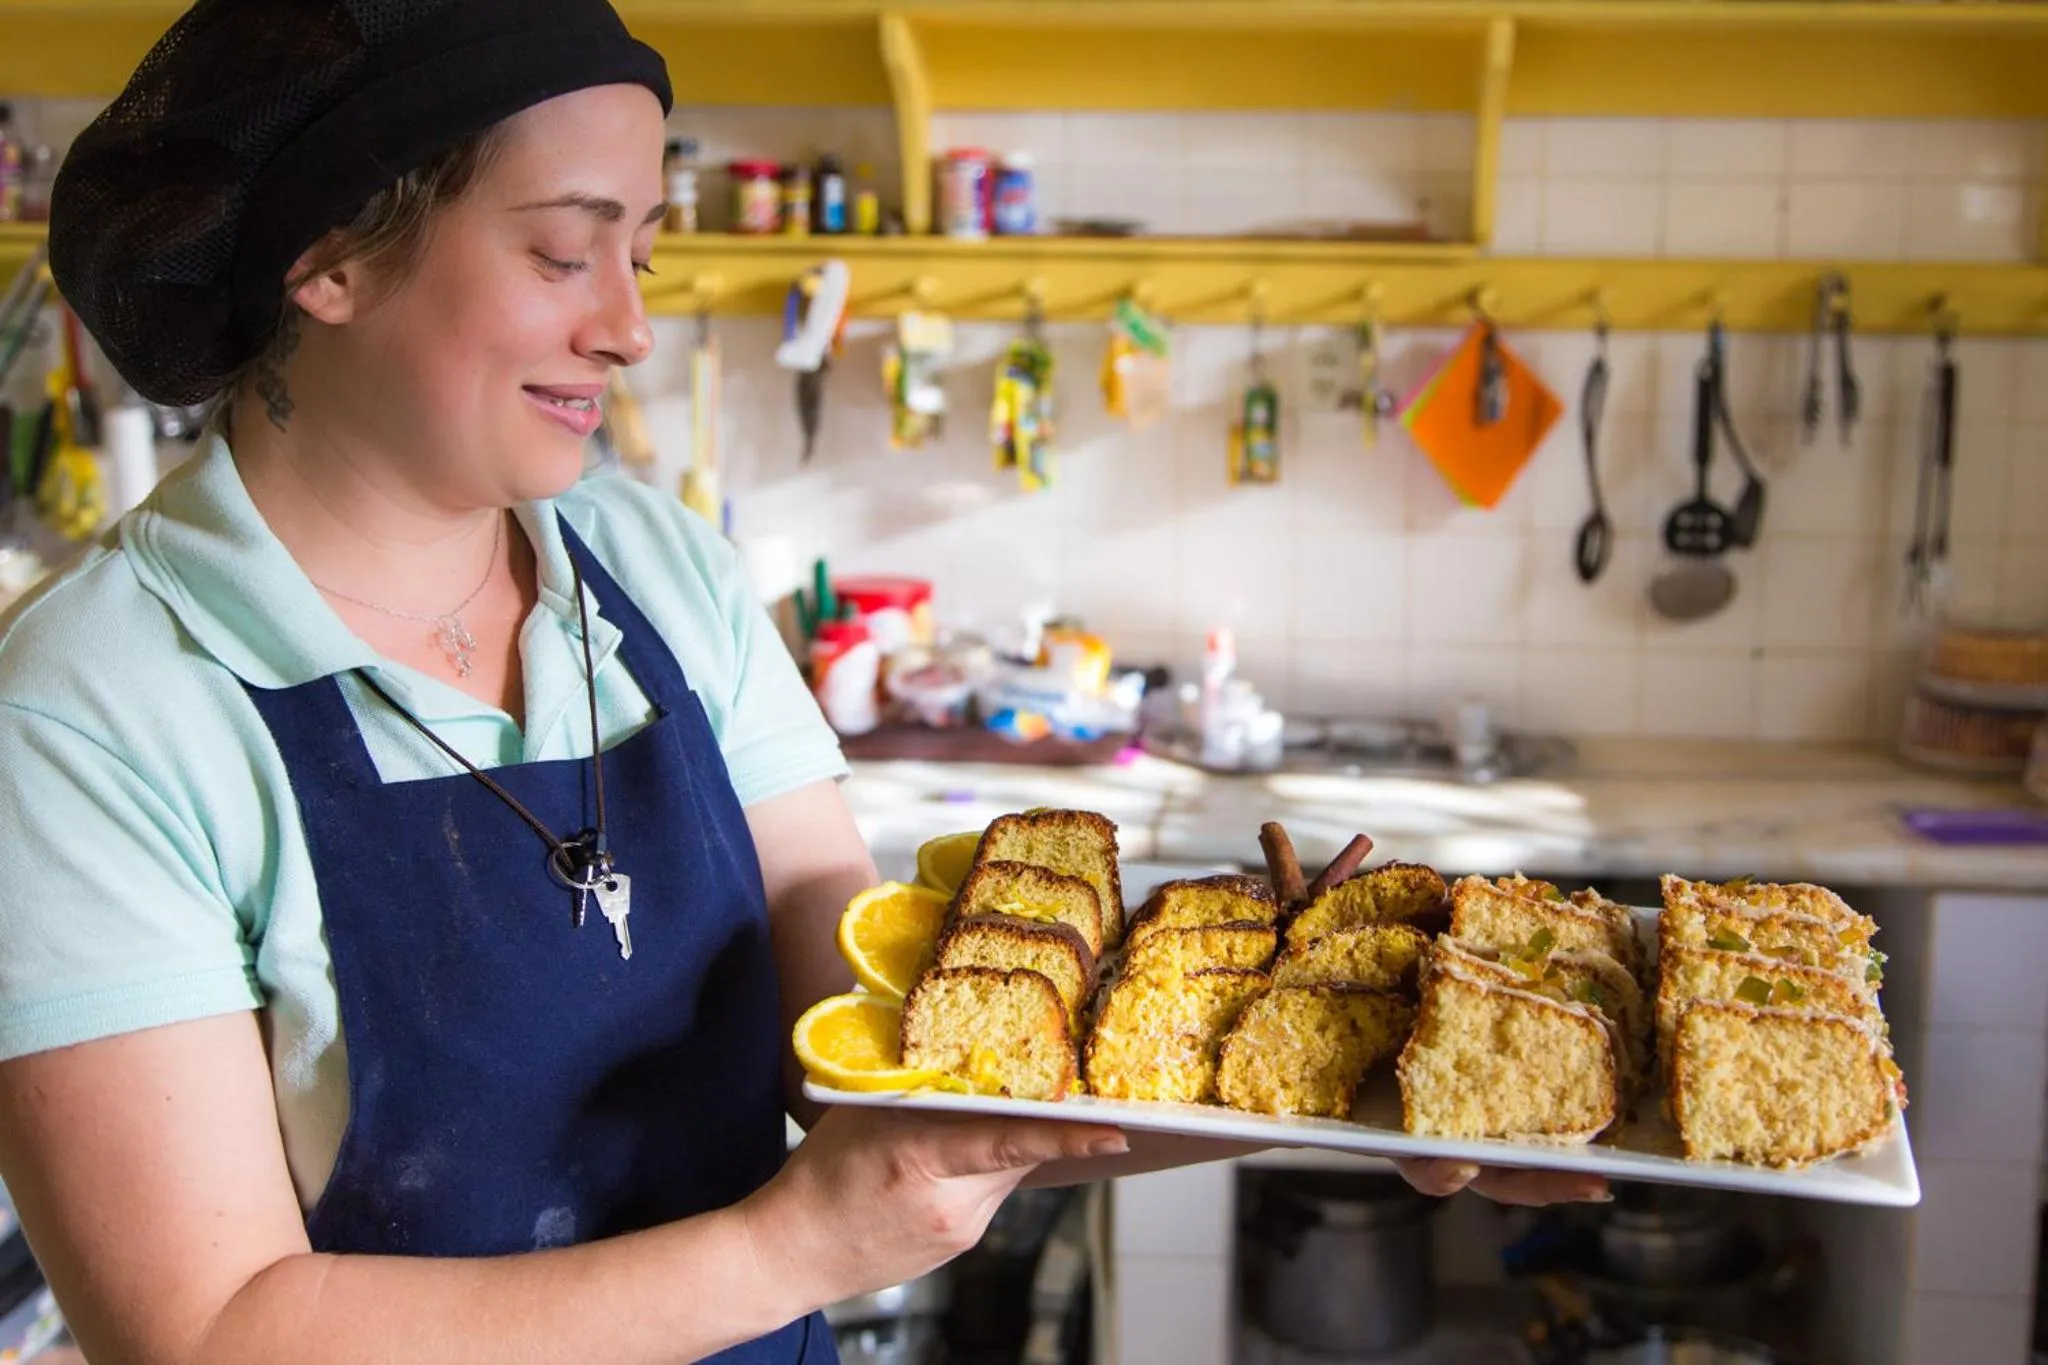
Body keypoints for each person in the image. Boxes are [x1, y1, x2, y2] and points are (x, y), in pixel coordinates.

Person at [0, 3, 1605, 1361]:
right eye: (566, 252)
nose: (630, 325)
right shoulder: (96, 709)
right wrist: (789, 1253)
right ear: (329, 261)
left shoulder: (649, 566)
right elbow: (207, 1328)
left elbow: (878, 1043)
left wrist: (1364, 1086)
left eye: (641, 246)